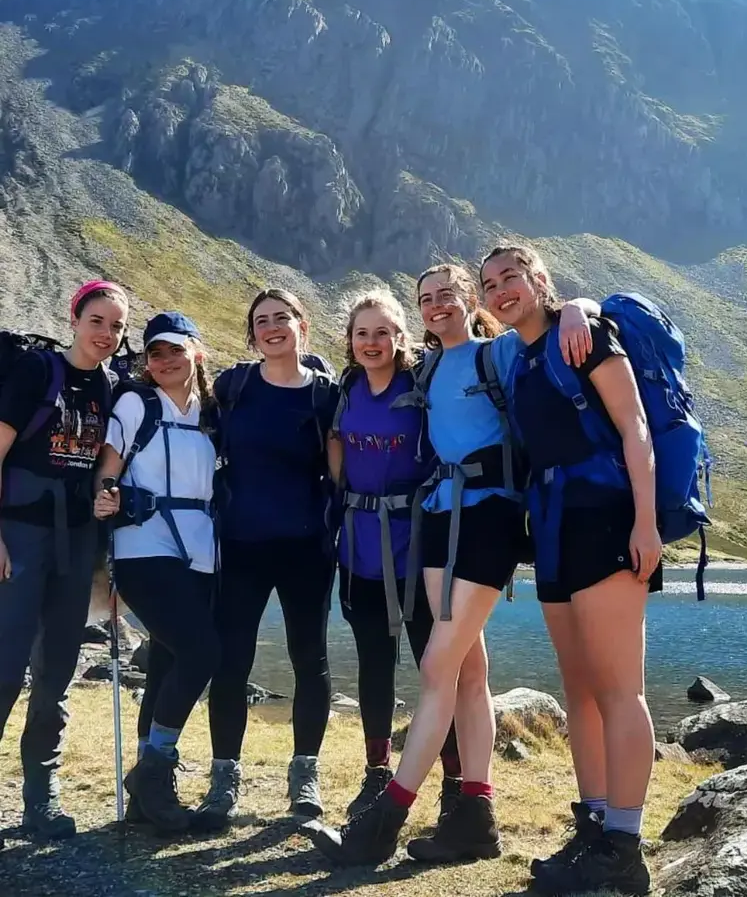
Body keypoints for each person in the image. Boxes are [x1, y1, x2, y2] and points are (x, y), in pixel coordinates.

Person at [310, 264, 597, 866]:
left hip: (490, 517)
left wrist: (575, 306)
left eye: (447, 294)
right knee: (468, 671)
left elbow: (556, 328)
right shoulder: (427, 366)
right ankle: (474, 819)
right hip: (438, 517)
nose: (436, 304)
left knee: (436, 665)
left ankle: (383, 821)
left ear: (471, 298)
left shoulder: (500, 353)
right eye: (426, 298)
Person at [481, 243, 659, 897]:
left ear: (540, 279)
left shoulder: (584, 335)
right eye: (489, 283)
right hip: (552, 529)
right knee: (580, 688)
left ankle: (625, 848)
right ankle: (595, 825)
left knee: (619, 690)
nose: (500, 290)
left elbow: (635, 427)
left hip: (605, 518)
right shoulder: (518, 357)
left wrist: (645, 522)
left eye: (511, 276)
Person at [194, 289, 338, 830]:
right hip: (241, 546)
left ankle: (305, 776)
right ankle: (223, 780)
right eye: (262, 321)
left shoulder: (324, 395)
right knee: (231, 661)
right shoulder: (234, 386)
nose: (272, 327)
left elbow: (342, 467)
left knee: (309, 659)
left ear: (302, 326)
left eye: (282, 318)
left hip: (307, 548)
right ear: (252, 333)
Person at [0, 280, 129, 839]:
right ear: (74, 319)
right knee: (5, 665)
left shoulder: (111, 387)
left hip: (76, 540)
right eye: (97, 321)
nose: (106, 333)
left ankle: (40, 797)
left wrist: (106, 497)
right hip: (19, 535)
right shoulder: (36, 371)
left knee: (57, 667)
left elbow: (103, 467)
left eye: (117, 326)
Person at [329, 290, 463, 823]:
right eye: (362, 333)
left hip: (419, 549)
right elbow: (335, 448)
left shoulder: (422, 384)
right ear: (350, 340)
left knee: (437, 668)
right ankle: (377, 775)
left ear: (400, 337)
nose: (372, 342)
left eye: (382, 332)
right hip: (358, 548)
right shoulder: (346, 388)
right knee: (374, 664)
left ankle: (455, 786)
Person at [93, 311, 220, 834]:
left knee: (168, 662)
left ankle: (149, 790)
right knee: (201, 652)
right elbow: (108, 468)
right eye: (155, 353)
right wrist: (107, 495)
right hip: (143, 546)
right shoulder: (136, 403)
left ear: (197, 353)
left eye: (175, 350)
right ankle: (155, 769)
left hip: (202, 552)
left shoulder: (212, 412)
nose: (165, 360)